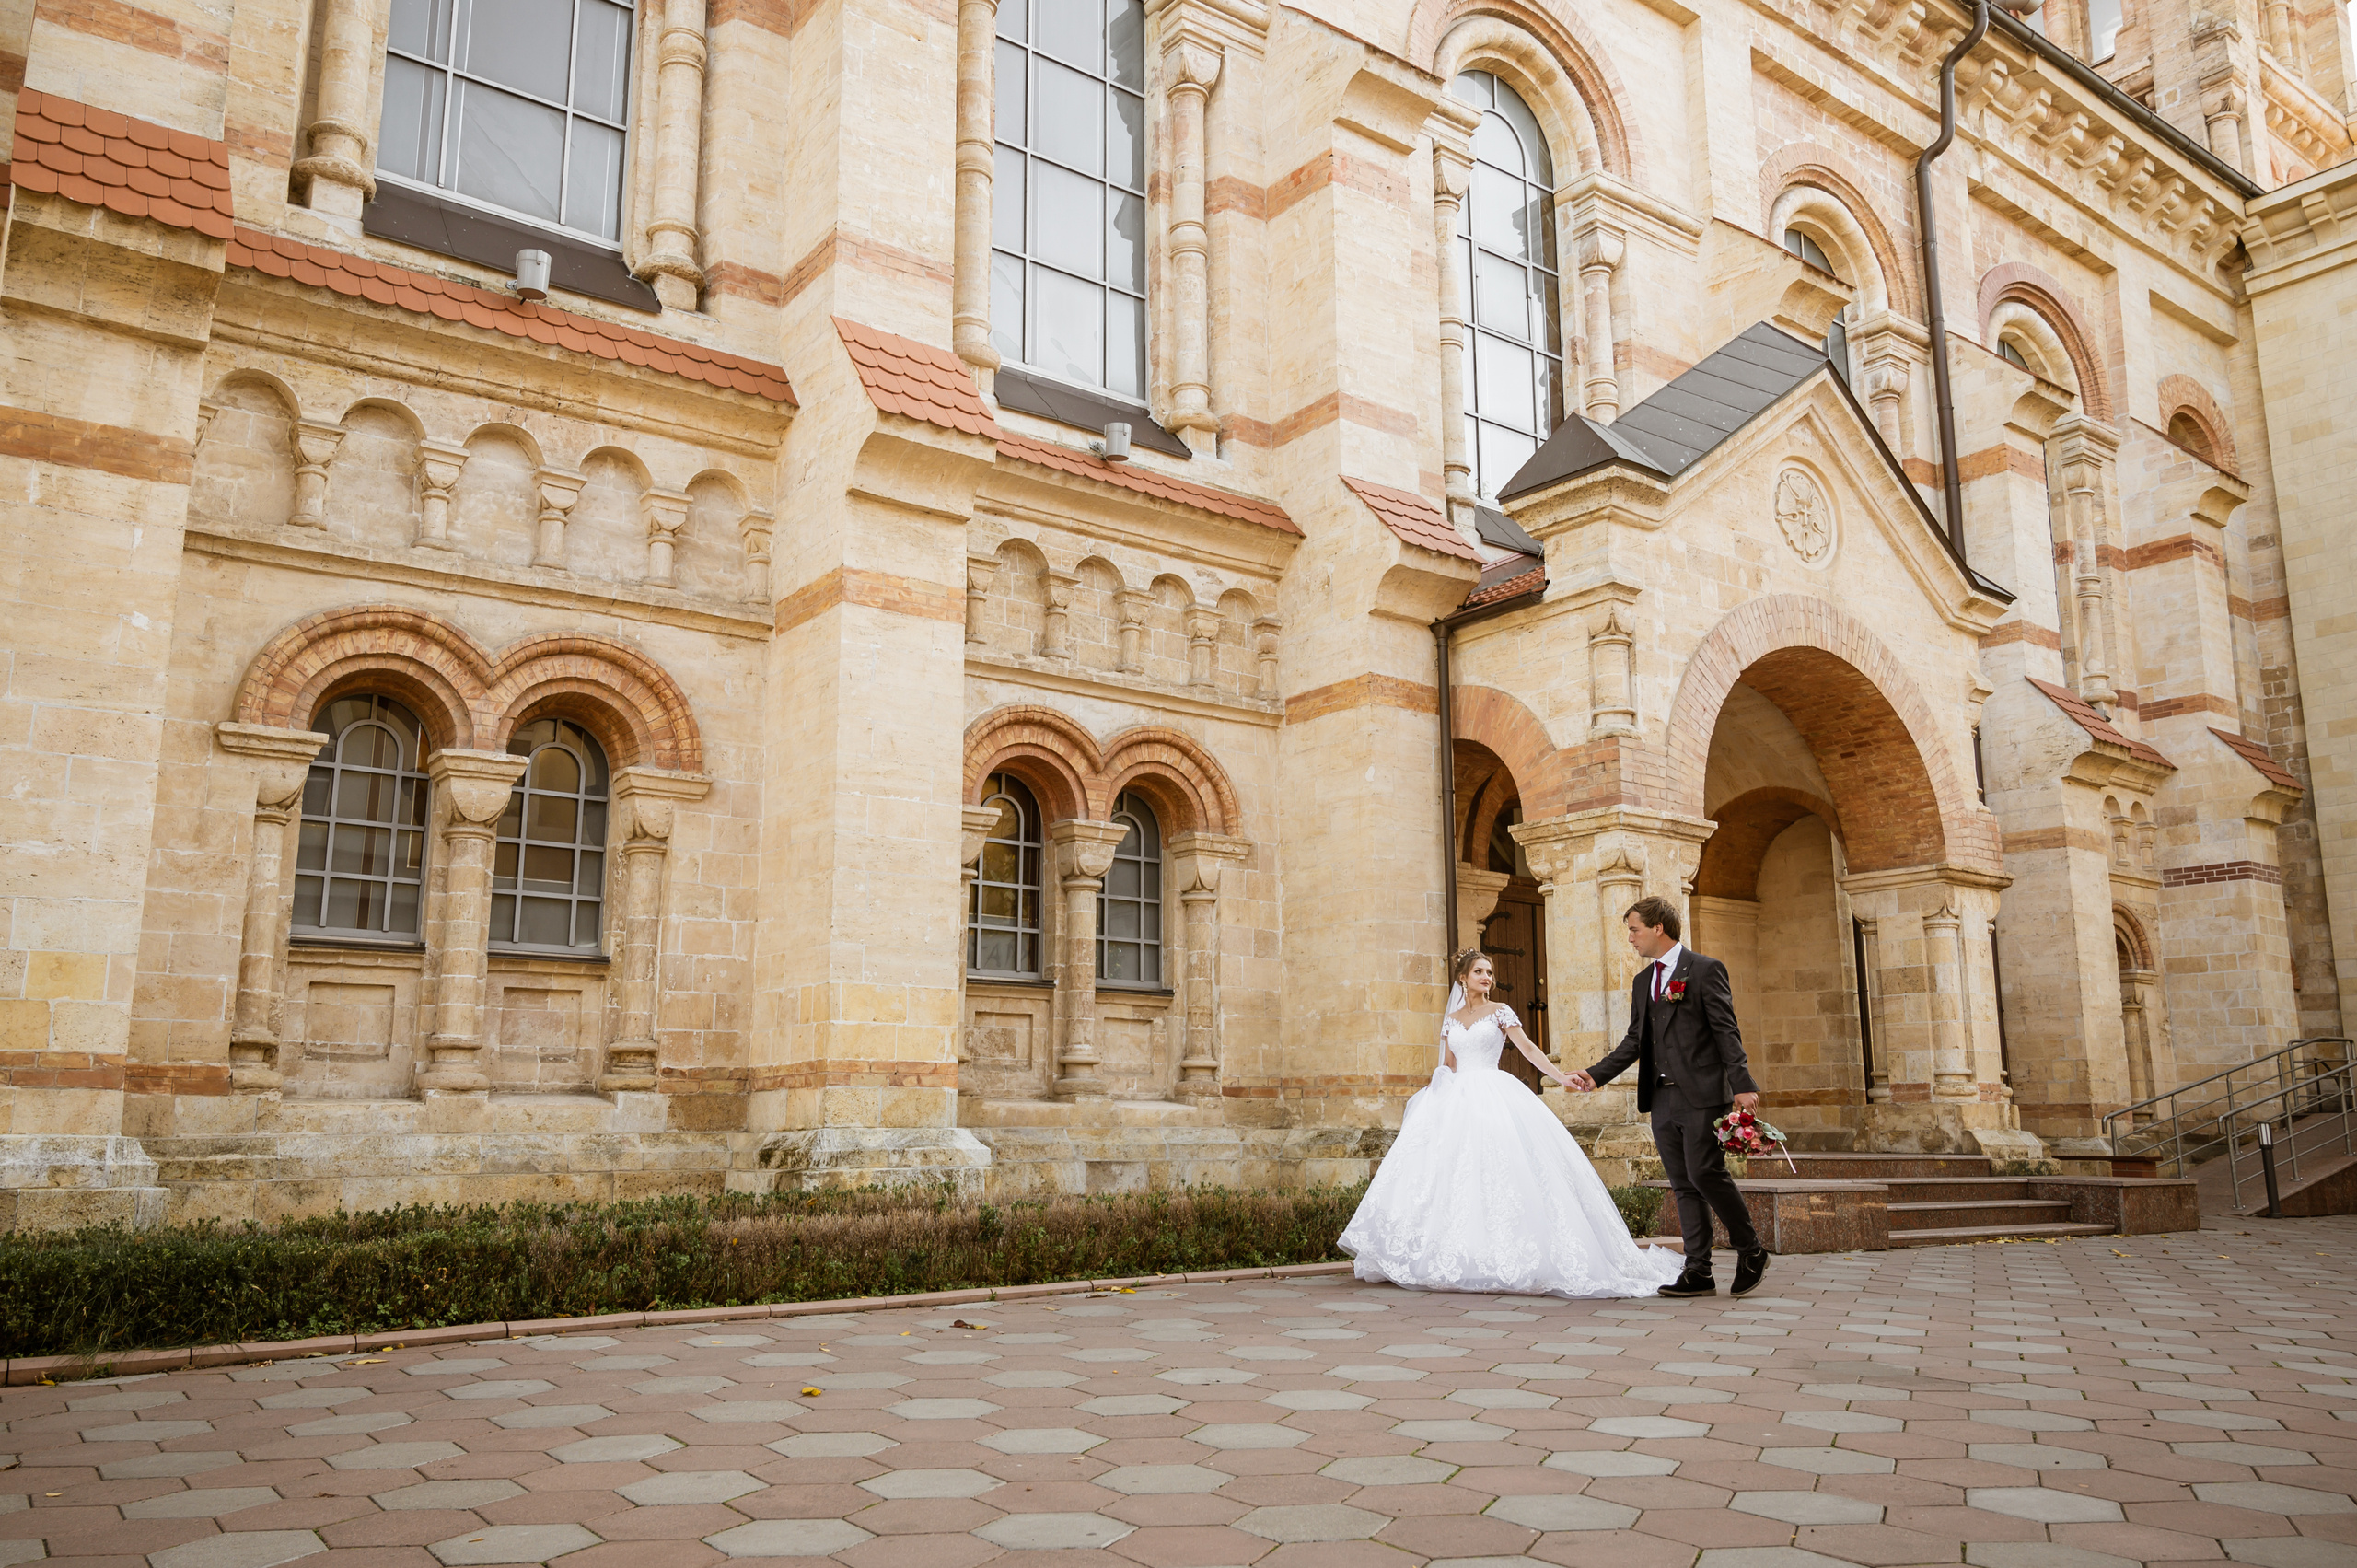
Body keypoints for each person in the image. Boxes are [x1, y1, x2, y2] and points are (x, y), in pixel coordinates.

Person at [1338, 947, 1684, 1298]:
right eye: (1479, 972)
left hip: (1494, 1094)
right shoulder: (1451, 1020)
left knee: (1500, 1171)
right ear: (1463, 978)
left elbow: (1529, 1049)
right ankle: (1456, 1254)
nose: (1487, 978)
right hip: (1457, 1101)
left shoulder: (1500, 1012)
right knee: (1452, 1177)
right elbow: (1448, 1065)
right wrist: (1434, 1093)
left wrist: (1560, 1077)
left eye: (1489, 972)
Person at [1568, 896, 1770, 1299]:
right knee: (1682, 1183)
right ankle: (1698, 1271)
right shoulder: (1643, 981)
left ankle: (1751, 1250)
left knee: (1705, 1173)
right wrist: (1595, 1075)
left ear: (1658, 927)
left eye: (1634, 929)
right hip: (1661, 1098)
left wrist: (1743, 1084)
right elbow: (1634, 1041)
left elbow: (1726, 1030)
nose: (1630, 938)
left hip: (1702, 1094)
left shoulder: (1705, 969)